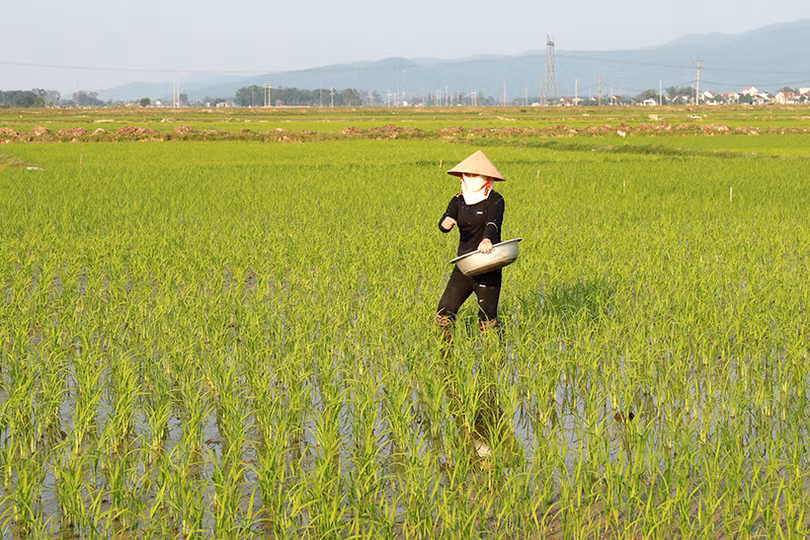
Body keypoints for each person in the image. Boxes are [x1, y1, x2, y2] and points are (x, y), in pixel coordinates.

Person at [436, 150, 506, 342]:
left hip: (488, 264)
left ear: (486, 178)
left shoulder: (495, 200)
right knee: (444, 312)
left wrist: (487, 239)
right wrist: (445, 223)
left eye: (474, 175)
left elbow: (494, 222)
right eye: (466, 175)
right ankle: (445, 357)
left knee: (487, 318)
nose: (469, 178)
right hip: (465, 265)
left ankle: (493, 360)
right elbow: (445, 219)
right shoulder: (458, 200)